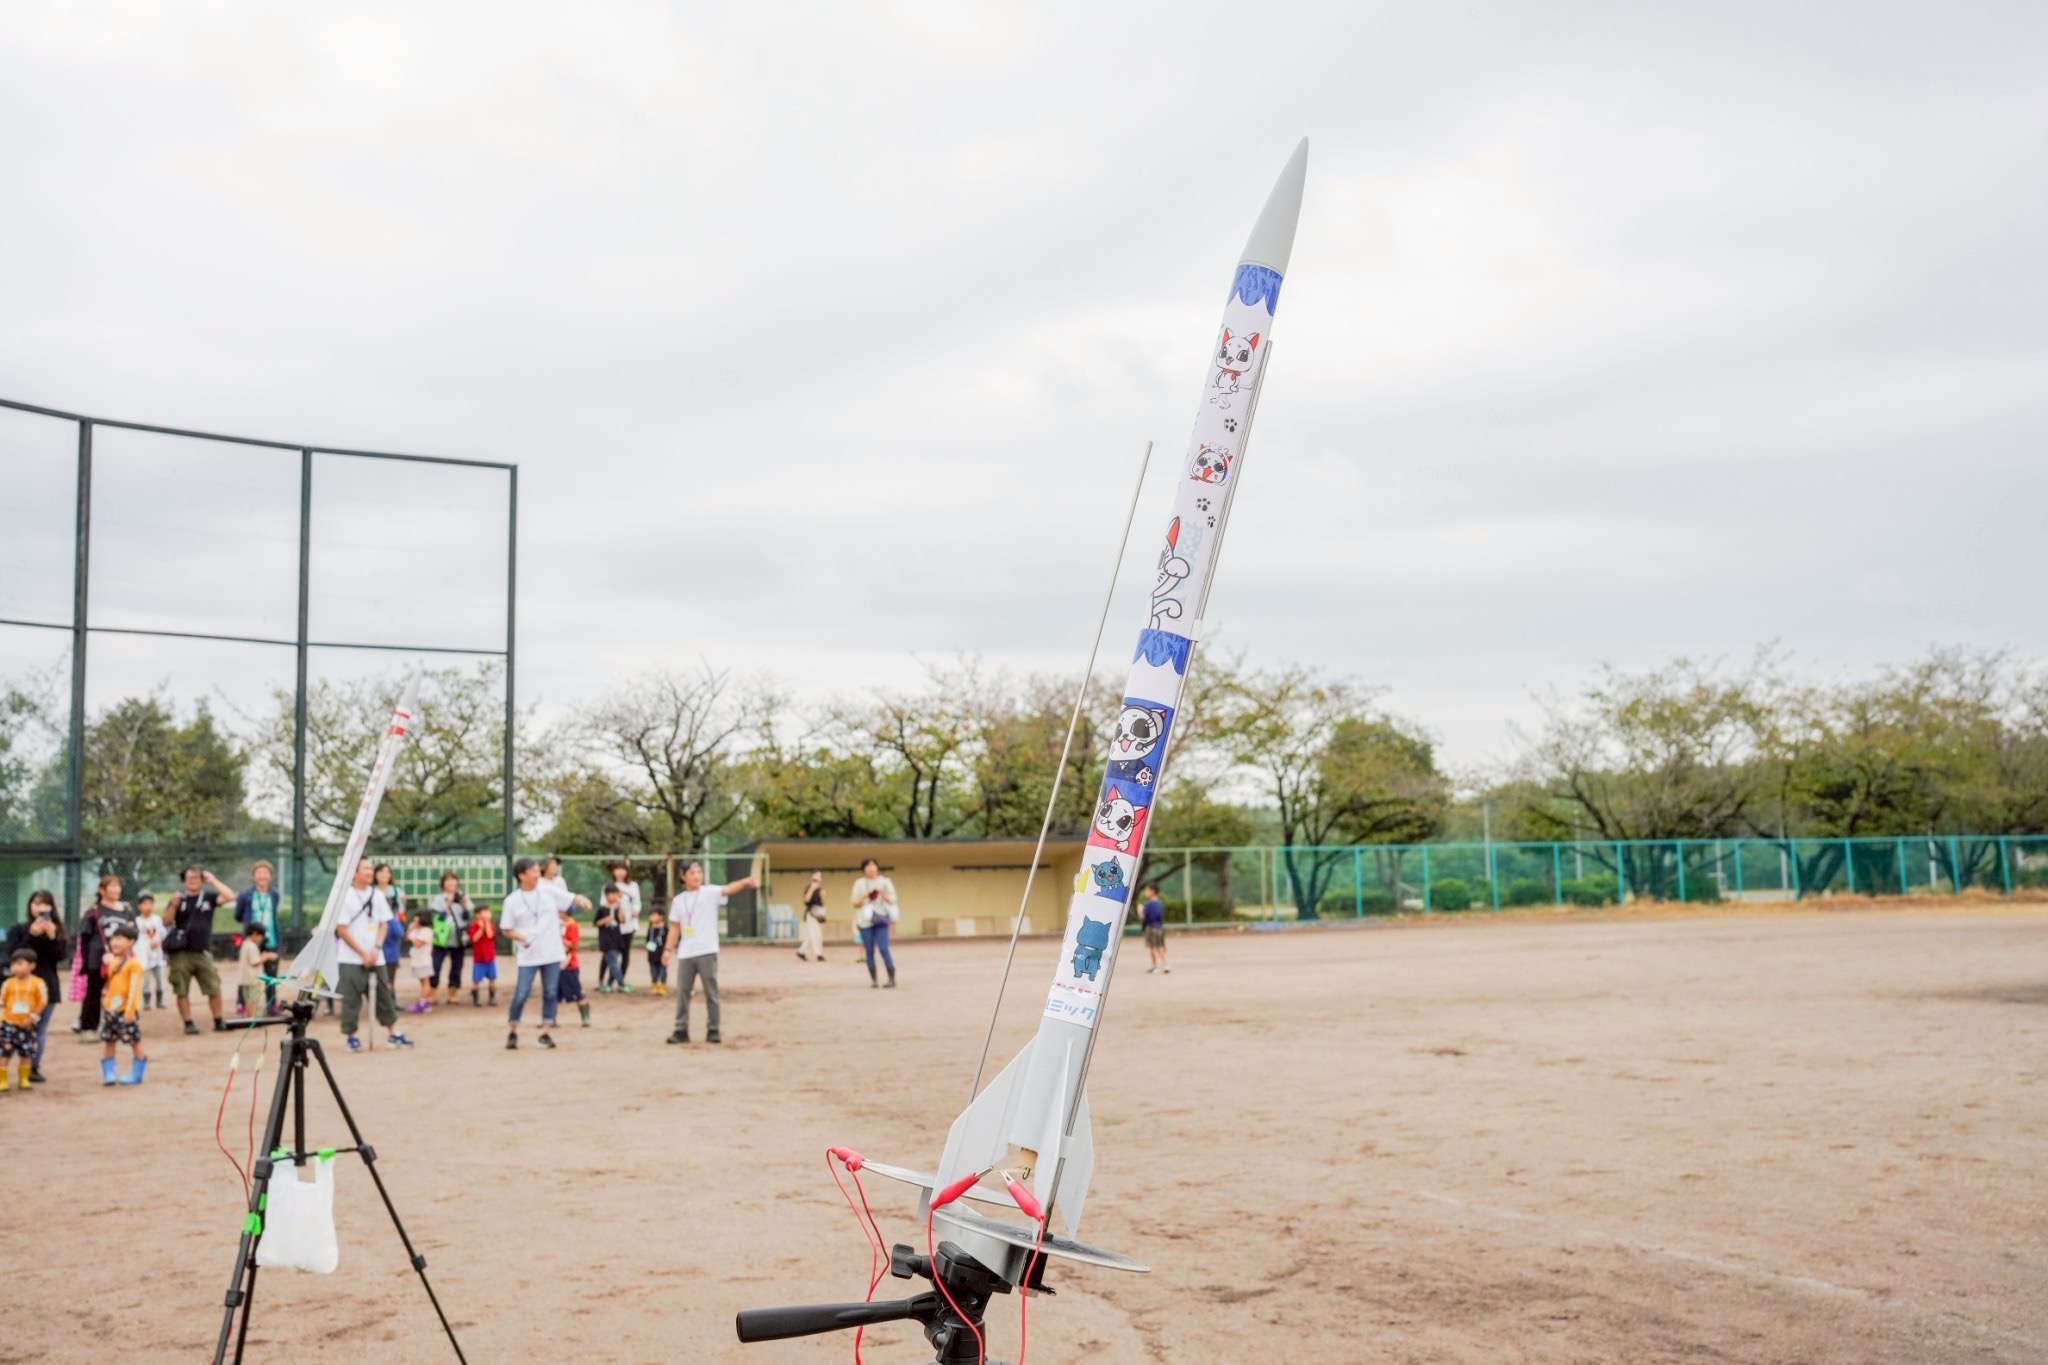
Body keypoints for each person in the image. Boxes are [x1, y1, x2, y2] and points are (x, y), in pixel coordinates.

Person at [499, 858, 591, 1051]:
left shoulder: (548, 890)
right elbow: (506, 928)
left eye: (537, 870)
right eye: (533, 871)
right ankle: (513, 1030)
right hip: (528, 956)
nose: (537, 874)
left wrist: (582, 899)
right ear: (521, 875)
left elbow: (571, 897)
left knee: (550, 992)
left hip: (552, 953)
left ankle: (545, 1032)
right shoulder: (512, 901)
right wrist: (521, 938)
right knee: (521, 993)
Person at [664, 860, 759, 1045]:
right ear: (683, 876)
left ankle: (713, 1029)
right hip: (686, 953)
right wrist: (668, 949)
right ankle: (681, 1029)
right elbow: (675, 927)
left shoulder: (709, 892)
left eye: (699, 872)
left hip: (707, 950)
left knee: (711, 992)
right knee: (682, 993)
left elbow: (729, 888)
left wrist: (745, 882)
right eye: (692, 873)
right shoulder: (678, 901)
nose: (697, 876)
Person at [332, 858, 411, 1052]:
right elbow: (341, 929)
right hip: (350, 958)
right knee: (351, 998)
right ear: (354, 872)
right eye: (365, 868)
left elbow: (384, 924)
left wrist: (376, 948)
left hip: (376, 957)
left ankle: (393, 1033)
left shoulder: (377, 895)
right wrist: (362, 953)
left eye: (370, 868)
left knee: (384, 995)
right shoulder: (344, 896)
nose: (369, 872)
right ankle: (351, 1036)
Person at [4, 890, 66, 1084]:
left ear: (51, 907)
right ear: (30, 906)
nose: (41, 908)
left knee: (39, 1028)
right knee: (10, 1027)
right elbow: (12, 955)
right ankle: (4, 1066)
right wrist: (31, 935)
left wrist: (52, 937)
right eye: (37, 904)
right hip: (18, 988)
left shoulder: (57, 929)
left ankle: (32, 1067)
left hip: (45, 986)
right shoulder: (18, 929)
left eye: (45, 904)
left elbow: (60, 957)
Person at [165, 866, 234, 1035]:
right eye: (190, 878)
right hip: (180, 952)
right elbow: (166, 921)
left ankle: (218, 1019)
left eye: (196, 878)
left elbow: (229, 896)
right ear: (184, 880)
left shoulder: (208, 897)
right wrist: (173, 906)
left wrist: (213, 880)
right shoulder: (178, 898)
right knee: (181, 989)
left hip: (202, 951)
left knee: (214, 986)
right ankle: (188, 1022)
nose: (193, 881)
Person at [75, 873, 132, 1033]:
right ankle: (89, 1028)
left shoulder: (126, 910)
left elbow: (134, 935)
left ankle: (121, 1025)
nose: (116, 889)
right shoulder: (94, 911)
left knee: (123, 990)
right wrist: (87, 962)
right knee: (94, 993)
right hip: (98, 959)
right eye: (112, 886)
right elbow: (85, 937)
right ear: (102, 890)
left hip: (122, 960)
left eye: (118, 886)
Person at [98, 923, 147, 1085]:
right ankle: (109, 1072)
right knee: (109, 1040)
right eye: (113, 939)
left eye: (119, 939)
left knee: (134, 1040)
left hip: (125, 1010)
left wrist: (130, 1011)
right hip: (110, 1009)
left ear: (131, 941)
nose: (114, 942)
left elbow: (134, 989)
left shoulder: (134, 964)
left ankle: (137, 1073)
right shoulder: (114, 961)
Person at [234, 862, 282, 1013]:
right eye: (259, 873)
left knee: (271, 973)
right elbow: (238, 915)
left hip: (271, 938)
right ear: (253, 876)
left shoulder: (274, 894)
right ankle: (242, 1003)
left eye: (265, 873)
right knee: (248, 971)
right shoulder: (245, 895)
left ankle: (271, 1004)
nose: (262, 876)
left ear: (270, 876)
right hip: (252, 940)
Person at [2, 949, 49, 1091]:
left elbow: (43, 1001)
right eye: (13, 964)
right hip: (9, 1024)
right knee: (4, 1051)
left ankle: (24, 1079)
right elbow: (2, 1001)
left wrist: (32, 1017)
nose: (15, 967)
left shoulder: (38, 983)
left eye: (19, 963)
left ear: (32, 965)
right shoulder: (8, 983)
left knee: (27, 1052)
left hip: (27, 1025)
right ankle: (2, 1080)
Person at [849, 858, 899, 989]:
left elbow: (893, 899)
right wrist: (864, 896)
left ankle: (891, 978)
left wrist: (882, 894)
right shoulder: (859, 883)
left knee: (884, 948)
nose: (871, 868)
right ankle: (874, 979)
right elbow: (854, 902)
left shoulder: (885, 882)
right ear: (863, 869)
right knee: (869, 951)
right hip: (865, 921)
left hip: (881, 919)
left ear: (877, 867)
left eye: (873, 865)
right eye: (867, 866)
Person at [428, 872, 471, 1006]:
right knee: (435, 964)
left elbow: (466, 917)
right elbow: (438, 918)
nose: (451, 883)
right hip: (442, 937)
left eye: (453, 880)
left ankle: (453, 992)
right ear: (443, 883)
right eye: (448, 881)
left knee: (457, 965)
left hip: (458, 937)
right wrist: (448, 904)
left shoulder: (463, 896)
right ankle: (432, 991)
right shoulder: (438, 899)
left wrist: (464, 905)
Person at [372, 863, 406, 1001]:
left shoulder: (397, 891)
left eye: (387, 872)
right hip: (375, 930)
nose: (384, 875)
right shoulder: (371, 891)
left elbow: (401, 912)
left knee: (391, 964)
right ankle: (378, 998)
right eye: (381, 872)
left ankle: (391, 998)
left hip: (391, 931)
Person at [607, 861, 640, 990]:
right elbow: (604, 903)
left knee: (626, 953)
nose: (620, 872)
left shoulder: (633, 886)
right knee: (612, 954)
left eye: (623, 869)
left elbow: (637, 903)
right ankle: (608, 982)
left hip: (629, 925)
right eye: (617, 869)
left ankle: (621, 981)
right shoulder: (609, 886)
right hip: (614, 926)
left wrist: (635, 910)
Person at [558, 902, 589, 1027]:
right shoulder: (560, 924)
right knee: (553, 992)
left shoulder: (572, 925)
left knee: (577, 991)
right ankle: (550, 1019)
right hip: (557, 963)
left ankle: (585, 1018)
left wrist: (559, 938)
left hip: (569, 963)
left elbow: (574, 945)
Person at [134, 893, 166, 1010]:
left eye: (150, 904)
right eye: (145, 904)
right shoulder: (137, 921)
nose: (148, 907)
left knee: (160, 979)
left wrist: (158, 941)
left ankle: (159, 1000)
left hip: (157, 954)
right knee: (145, 980)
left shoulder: (157, 919)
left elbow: (162, 933)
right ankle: (146, 1002)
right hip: (143, 955)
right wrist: (147, 944)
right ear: (139, 906)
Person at [466, 905, 498, 1007]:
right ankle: (476, 998)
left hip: (490, 957)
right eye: (484, 912)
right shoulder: (473, 925)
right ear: (477, 914)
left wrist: (486, 923)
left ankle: (492, 998)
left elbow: (490, 935)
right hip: (479, 958)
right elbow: (474, 938)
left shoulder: (491, 925)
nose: (487, 914)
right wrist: (481, 928)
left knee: (492, 978)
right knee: (476, 979)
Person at [594, 883, 623, 993]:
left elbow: (622, 920)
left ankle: (607, 983)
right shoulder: (602, 909)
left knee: (607, 962)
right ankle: (621, 983)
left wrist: (620, 906)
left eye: (616, 894)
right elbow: (596, 923)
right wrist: (605, 920)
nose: (614, 896)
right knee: (614, 963)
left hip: (616, 939)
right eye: (612, 894)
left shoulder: (617, 909)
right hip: (606, 940)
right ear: (606, 895)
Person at [406, 910, 436, 1013]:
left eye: (417, 916)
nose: (415, 919)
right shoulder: (418, 930)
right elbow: (408, 937)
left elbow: (418, 944)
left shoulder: (427, 931)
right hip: (417, 960)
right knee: (422, 982)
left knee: (426, 982)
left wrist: (411, 935)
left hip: (423, 961)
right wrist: (410, 930)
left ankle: (422, 1002)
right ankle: (426, 1002)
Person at [798, 871, 827, 963]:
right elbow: (806, 900)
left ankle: (801, 951)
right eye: (817, 875)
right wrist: (812, 888)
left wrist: (823, 896)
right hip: (811, 913)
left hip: (818, 914)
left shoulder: (820, 889)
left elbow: (821, 903)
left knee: (812, 934)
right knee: (816, 934)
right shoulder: (809, 887)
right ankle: (819, 954)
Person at [1140, 884, 1170, 973]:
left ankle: (1155, 966)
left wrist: (1140, 910)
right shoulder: (1159, 903)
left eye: (1147, 890)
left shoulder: (1148, 904)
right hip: (1159, 927)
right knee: (1160, 947)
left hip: (1151, 928)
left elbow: (1144, 916)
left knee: (1153, 947)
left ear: (1152, 891)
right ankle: (1165, 964)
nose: (1145, 892)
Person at [644, 907, 669, 996]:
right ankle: (654, 985)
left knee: (663, 972)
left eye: (654, 915)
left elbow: (667, 941)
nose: (651, 917)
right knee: (653, 972)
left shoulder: (665, 929)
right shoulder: (650, 928)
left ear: (661, 916)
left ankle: (662, 985)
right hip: (652, 955)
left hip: (662, 955)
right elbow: (647, 940)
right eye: (651, 915)